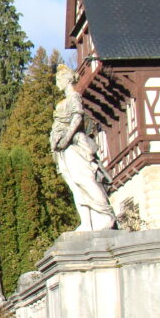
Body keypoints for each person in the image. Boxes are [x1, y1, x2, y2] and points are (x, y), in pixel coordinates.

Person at [51, 65, 118, 232]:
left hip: (74, 145)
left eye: (59, 79)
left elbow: (77, 117)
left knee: (85, 180)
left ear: (66, 79)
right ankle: (87, 223)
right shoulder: (65, 100)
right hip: (63, 150)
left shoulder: (74, 97)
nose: (57, 83)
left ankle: (106, 216)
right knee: (76, 186)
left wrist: (66, 137)